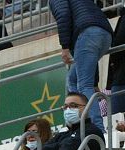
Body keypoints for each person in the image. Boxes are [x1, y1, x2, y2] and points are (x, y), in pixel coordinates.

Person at [49, 0, 111, 129]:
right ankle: (79, 123)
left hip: (87, 33)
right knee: (72, 80)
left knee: (84, 86)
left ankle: (97, 127)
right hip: (105, 34)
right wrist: (95, 82)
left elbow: (63, 15)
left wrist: (65, 47)